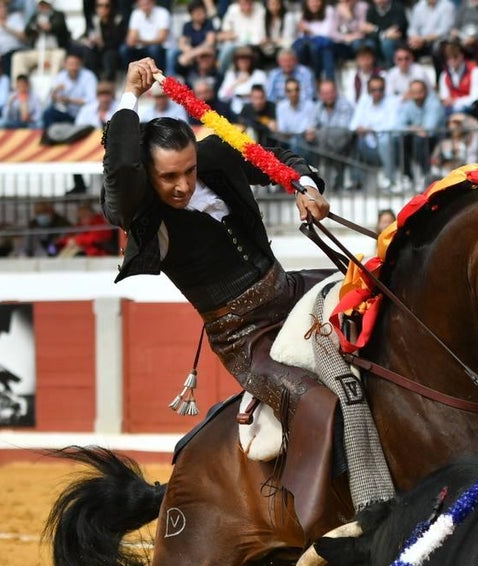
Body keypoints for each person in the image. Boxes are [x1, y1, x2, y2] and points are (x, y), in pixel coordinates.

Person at [102, 57, 331, 440]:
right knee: (316, 406)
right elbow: (121, 168)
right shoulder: (141, 211)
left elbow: (277, 158)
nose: (183, 185)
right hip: (244, 338)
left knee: (368, 295)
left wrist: (306, 186)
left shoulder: (217, 156)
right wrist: (130, 95)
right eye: (169, 176)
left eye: (189, 170)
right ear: (148, 176)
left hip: (289, 291)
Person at [350, 73, 405, 191]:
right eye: (374, 89)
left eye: (380, 89)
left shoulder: (392, 101)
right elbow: (353, 124)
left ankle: (390, 178)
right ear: (369, 90)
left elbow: (393, 125)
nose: (377, 92)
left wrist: (371, 129)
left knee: (385, 140)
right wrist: (361, 128)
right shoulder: (364, 101)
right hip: (368, 144)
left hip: (388, 143)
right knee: (353, 138)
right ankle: (356, 181)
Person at [307, 78, 355, 190]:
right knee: (311, 140)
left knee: (324, 137)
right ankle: (331, 179)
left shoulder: (344, 105)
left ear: (335, 92)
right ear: (320, 95)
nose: (328, 96)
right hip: (328, 145)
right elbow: (311, 125)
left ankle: (326, 177)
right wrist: (314, 132)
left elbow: (343, 129)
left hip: (344, 143)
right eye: (324, 93)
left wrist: (319, 132)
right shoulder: (318, 106)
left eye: (330, 93)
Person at [398, 77, 444, 184]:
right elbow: (398, 125)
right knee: (402, 139)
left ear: (426, 91)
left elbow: (428, 129)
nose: (417, 95)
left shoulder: (434, 104)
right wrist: (414, 129)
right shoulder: (409, 104)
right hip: (419, 137)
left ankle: (425, 174)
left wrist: (412, 128)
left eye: (420, 92)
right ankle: (407, 176)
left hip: (437, 139)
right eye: (414, 92)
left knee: (419, 139)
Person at [14, 0, 71, 81]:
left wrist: (50, 27)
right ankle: (20, 88)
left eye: (44, 4)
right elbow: (27, 31)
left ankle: (53, 87)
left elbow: (60, 26)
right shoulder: (35, 16)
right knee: (18, 57)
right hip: (37, 51)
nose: (42, 7)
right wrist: (37, 27)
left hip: (54, 50)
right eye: (41, 5)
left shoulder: (58, 15)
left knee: (59, 56)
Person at [42, 51, 99, 129]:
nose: (74, 67)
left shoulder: (88, 77)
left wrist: (70, 100)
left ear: (80, 65)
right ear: (65, 65)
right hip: (68, 114)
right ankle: (50, 137)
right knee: (48, 113)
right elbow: (50, 101)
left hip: (85, 115)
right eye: (71, 64)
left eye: (76, 64)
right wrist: (55, 92)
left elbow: (92, 100)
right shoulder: (60, 76)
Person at [292, 0, 339, 81]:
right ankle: (301, 79)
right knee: (301, 48)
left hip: (325, 46)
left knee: (323, 49)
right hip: (307, 48)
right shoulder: (302, 13)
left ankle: (324, 80)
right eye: (311, 1)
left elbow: (327, 33)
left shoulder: (329, 10)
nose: (314, 4)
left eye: (317, 1)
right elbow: (301, 36)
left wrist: (309, 30)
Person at [172, 0, 218, 78]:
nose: (200, 15)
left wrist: (194, 53)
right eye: (197, 13)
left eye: (202, 12)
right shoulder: (187, 25)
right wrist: (188, 50)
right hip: (193, 53)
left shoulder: (208, 23)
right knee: (179, 59)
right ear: (191, 14)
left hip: (205, 51)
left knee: (186, 58)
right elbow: (182, 43)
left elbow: (210, 42)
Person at [437, 39, 478, 116]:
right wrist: (449, 101)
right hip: (450, 108)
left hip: (469, 108)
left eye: (455, 57)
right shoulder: (444, 74)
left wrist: (456, 101)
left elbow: (476, 97)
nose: (452, 60)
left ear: (461, 55)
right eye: (449, 58)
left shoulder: (475, 71)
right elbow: (444, 96)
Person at [123, 0, 172, 70]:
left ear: (153, 2)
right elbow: (131, 37)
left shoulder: (163, 13)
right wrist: (132, 40)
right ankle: (130, 74)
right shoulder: (136, 13)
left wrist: (140, 40)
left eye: (147, 4)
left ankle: (158, 74)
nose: (145, 7)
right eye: (142, 4)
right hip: (140, 46)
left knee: (154, 49)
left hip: (159, 46)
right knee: (124, 49)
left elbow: (161, 38)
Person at [0, 0, 27, 81]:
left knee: (14, 57)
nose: (2, 9)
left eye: (4, 7)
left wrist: (7, 28)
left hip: (18, 49)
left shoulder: (16, 18)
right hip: (3, 53)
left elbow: (24, 36)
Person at [218, 45, 268, 114]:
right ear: (236, 61)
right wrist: (237, 82)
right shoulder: (231, 75)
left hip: (255, 111)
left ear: (251, 60)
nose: (244, 62)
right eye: (241, 59)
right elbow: (222, 96)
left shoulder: (259, 74)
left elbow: (265, 94)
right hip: (236, 111)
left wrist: (248, 95)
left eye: (247, 59)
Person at [361, 0, 408, 66]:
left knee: (387, 43)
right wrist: (383, 34)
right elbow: (368, 31)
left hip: (396, 41)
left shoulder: (397, 7)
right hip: (377, 40)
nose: (380, 1)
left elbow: (396, 30)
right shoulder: (371, 9)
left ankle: (393, 68)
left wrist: (375, 29)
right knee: (369, 44)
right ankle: (375, 69)